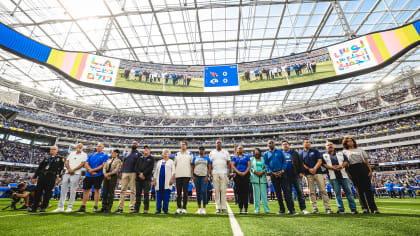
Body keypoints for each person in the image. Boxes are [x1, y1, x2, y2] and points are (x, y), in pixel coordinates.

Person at [342, 137, 379, 214]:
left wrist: (370, 170)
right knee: (359, 190)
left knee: (368, 189)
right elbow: (346, 164)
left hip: (363, 167)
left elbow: (366, 160)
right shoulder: (345, 151)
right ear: (346, 143)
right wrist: (348, 173)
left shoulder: (360, 149)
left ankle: (374, 208)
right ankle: (364, 208)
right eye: (348, 141)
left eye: (351, 141)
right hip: (353, 168)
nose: (350, 142)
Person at [322, 141, 358, 214]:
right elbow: (323, 164)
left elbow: (346, 161)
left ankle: (353, 209)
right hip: (332, 177)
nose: (329, 146)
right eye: (328, 145)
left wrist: (340, 166)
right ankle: (341, 209)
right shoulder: (324, 156)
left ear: (334, 146)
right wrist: (331, 167)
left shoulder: (341, 153)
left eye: (331, 144)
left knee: (349, 193)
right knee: (337, 194)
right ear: (326, 147)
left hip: (344, 176)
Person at [264, 140, 297, 215]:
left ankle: (292, 210)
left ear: (274, 144)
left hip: (282, 174)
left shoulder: (280, 152)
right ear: (267, 145)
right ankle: (282, 209)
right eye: (269, 143)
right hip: (273, 174)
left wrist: (282, 170)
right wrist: (271, 171)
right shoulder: (266, 154)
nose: (271, 144)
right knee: (278, 193)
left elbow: (284, 162)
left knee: (287, 192)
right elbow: (266, 164)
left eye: (272, 142)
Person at [300, 139, 332, 214]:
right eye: (306, 142)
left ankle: (327, 208)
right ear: (303, 144)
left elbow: (320, 161)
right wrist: (308, 169)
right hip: (308, 174)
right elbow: (302, 163)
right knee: (311, 192)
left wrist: (314, 168)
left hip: (318, 172)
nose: (308, 143)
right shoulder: (301, 154)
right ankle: (315, 208)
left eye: (309, 142)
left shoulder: (315, 151)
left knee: (323, 190)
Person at [75, 143, 108, 213]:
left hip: (98, 174)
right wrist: (90, 170)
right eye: (97, 146)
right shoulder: (92, 155)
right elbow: (86, 163)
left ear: (103, 148)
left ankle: (95, 206)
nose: (98, 147)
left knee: (97, 190)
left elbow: (103, 165)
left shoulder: (105, 155)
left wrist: (93, 170)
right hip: (89, 174)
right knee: (86, 190)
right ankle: (83, 206)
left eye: (100, 146)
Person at [54, 143, 87, 213]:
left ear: (82, 148)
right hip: (67, 173)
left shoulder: (84, 154)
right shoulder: (72, 153)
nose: (79, 146)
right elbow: (66, 162)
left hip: (76, 174)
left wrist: (73, 170)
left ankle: (70, 207)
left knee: (72, 191)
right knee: (63, 190)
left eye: (81, 146)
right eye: (78, 145)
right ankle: (60, 207)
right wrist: (69, 169)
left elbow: (82, 164)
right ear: (76, 147)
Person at [30, 146, 64, 212]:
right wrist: (34, 177)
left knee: (48, 192)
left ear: (57, 151)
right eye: (51, 149)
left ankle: (43, 207)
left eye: (54, 149)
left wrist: (60, 176)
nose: (52, 150)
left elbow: (61, 168)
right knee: (38, 192)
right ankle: (34, 207)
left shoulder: (60, 159)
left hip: (51, 176)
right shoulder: (46, 158)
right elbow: (39, 168)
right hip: (42, 175)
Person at [281, 140, 309, 214]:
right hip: (285, 176)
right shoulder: (280, 154)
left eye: (286, 144)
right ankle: (291, 209)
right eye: (283, 144)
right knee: (288, 194)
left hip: (295, 175)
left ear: (289, 145)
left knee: (300, 192)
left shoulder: (295, 153)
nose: (285, 145)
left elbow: (301, 163)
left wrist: (301, 172)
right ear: (281, 146)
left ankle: (303, 208)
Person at [115, 141, 142, 213]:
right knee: (122, 190)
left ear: (137, 146)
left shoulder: (139, 154)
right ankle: (120, 207)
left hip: (133, 173)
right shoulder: (127, 153)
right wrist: (121, 171)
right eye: (133, 143)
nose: (134, 144)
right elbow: (123, 163)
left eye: (136, 144)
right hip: (125, 172)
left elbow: (140, 164)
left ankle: (132, 208)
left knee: (133, 191)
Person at [209, 139, 231, 214]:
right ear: (215, 144)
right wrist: (210, 173)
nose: (218, 144)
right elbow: (210, 163)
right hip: (215, 173)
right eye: (217, 143)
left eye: (219, 143)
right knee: (216, 191)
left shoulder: (226, 152)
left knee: (223, 190)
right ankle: (218, 207)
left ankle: (224, 207)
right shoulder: (212, 152)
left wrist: (229, 172)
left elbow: (228, 162)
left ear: (221, 144)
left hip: (224, 172)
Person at [153, 149, 175, 214]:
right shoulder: (159, 162)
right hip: (159, 180)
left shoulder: (171, 162)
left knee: (166, 196)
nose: (165, 154)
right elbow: (155, 172)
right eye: (164, 153)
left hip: (167, 181)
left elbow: (173, 172)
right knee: (158, 196)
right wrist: (154, 180)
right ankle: (158, 209)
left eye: (167, 153)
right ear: (162, 154)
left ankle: (165, 209)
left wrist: (172, 179)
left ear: (169, 154)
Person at [134, 146, 155, 214]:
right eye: (145, 149)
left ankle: (146, 209)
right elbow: (136, 167)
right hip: (138, 179)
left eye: (147, 149)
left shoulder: (151, 158)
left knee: (146, 194)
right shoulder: (140, 158)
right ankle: (136, 209)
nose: (146, 150)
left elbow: (150, 168)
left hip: (146, 179)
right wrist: (139, 174)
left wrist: (143, 174)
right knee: (138, 194)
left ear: (149, 151)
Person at [174, 141, 193, 214]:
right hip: (178, 175)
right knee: (178, 193)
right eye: (182, 145)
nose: (183, 146)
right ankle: (179, 207)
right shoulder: (177, 154)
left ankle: (184, 208)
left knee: (185, 193)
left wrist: (191, 174)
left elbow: (192, 164)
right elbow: (175, 164)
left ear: (186, 146)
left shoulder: (190, 154)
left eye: (184, 145)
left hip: (186, 175)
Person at [231, 145, 251, 214]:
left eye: (241, 148)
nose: (240, 149)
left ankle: (246, 208)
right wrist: (238, 172)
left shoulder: (246, 157)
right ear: (237, 150)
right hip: (237, 176)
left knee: (245, 192)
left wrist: (245, 172)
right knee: (239, 193)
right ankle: (240, 208)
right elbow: (233, 165)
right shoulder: (234, 157)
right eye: (239, 148)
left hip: (245, 175)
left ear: (243, 149)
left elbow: (249, 165)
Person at [192, 146, 211, 214]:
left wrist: (207, 176)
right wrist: (192, 175)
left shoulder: (207, 158)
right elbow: (192, 167)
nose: (201, 150)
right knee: (198, 192)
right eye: (200, 149)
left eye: (202, 149)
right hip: (196, 176)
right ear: (198, 150)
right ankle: (199, 208)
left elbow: (209, 168)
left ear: (204, 151)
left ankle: (204, 208)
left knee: (204, 191)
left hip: (204, 176)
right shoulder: (195, 157)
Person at [250, 148, 270, 214]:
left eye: (258, 153)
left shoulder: (263, 159)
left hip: (262, 178)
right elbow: (250, 168)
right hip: (255, 178)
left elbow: (266, 167)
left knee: (264, 195)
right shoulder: (251, 159)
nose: (257, 154)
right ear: (254, 154)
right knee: (256, 195)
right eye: (255, 153)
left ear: (260, 153)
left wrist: (263, 171)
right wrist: (255, 171)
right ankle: (257, 209)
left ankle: (266, 209)